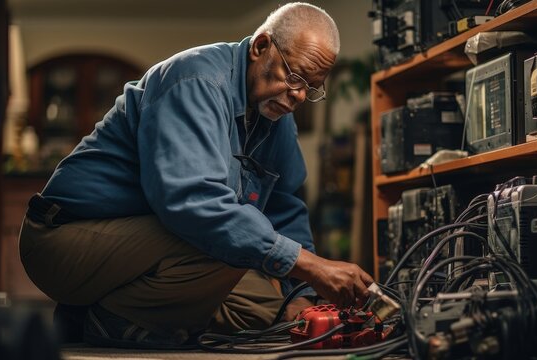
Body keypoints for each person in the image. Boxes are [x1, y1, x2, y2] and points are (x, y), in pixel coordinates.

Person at [19, 2, 374, 349]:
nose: (297, 95)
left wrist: (302, 295)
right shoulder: (195, 80)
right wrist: (314, 268)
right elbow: (193, 204)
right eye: (293, 76)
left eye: (310, 88)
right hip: (62, 240)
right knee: (227, 241)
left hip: (149, 247)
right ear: (261, 46)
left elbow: (285, 206)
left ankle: (110, 312)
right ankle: (105, 321)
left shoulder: (277, 117)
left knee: (270, 311)